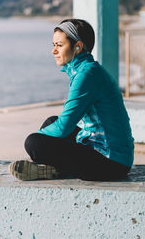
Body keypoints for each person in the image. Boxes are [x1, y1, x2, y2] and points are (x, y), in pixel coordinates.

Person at [9, 19, 134, 181]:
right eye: (53, 45)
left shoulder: (86, 75)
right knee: (50, 122)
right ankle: (52, 169)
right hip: (102, 149)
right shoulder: (87, 71)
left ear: (78, 47)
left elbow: (63, 128)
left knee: (34, 142)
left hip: (112, 163)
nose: (54, 51)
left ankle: (55, 170)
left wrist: (37, 137)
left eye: (59, 45)